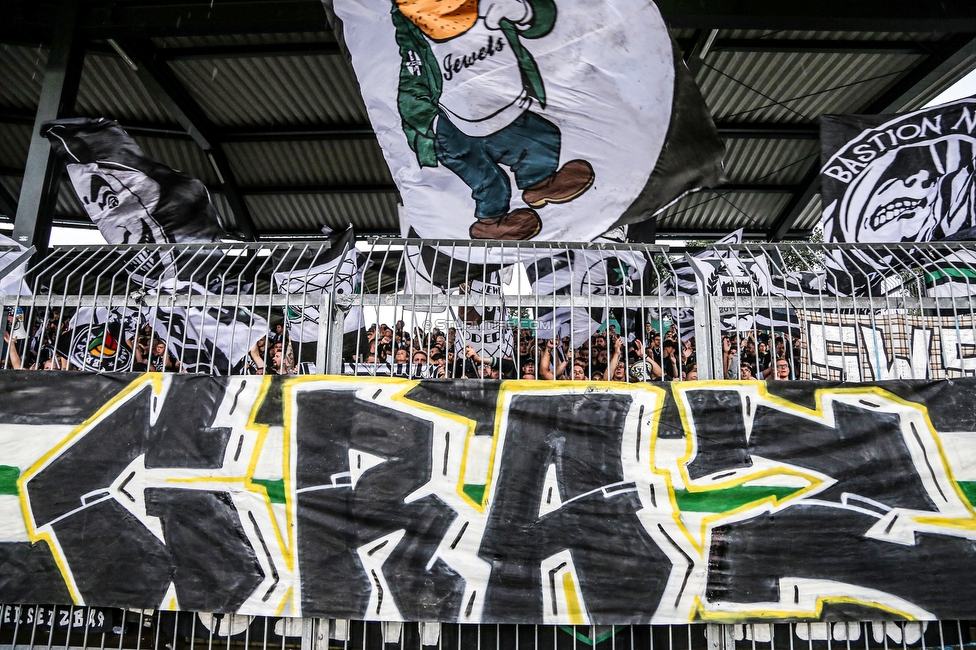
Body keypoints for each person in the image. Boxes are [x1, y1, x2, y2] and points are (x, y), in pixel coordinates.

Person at [392, 0, 595, 240]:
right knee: (488, 181)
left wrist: (523, 12)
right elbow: (411, 86)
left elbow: (544, 22)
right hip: (454, 129)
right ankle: (491, 222)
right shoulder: (419, 45)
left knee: (539, 135)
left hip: (502, 108)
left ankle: (540, 183)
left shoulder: (495, 7)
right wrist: (427, 126)